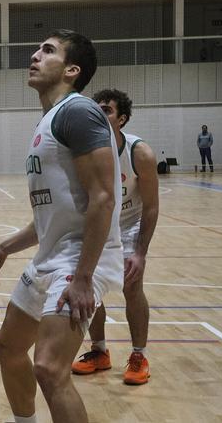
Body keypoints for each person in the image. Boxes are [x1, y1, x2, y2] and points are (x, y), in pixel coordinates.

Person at [0, 30, 123, 423]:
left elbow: (103, 198)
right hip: (52, 256)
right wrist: (5, 248)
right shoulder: (50, 119)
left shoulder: (77, 111)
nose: (35, 54)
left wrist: (84, 278)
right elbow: (52, 215)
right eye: (38, 47)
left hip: (80, 260)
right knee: (8, 347)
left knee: (50, 368)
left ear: (72, 70)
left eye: (48, 50)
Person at [71, 89, 160, 386]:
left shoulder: (140, 153)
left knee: (132, 288)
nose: (100, 114)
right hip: (98, 224)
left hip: (130, 223)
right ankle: (99, 352)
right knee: (90, 289)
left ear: (121, 119)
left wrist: (140, 253)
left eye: (106, 110)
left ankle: (139, 355)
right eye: (96, 109)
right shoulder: (83, 151)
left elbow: (151, 206)